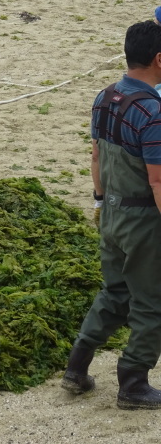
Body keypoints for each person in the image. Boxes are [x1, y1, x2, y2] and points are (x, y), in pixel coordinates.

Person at [61, 20, 161, 410]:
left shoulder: (105, 97)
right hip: (142, 222)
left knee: (114, 292)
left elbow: (97, 155)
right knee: (151, 302)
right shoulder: (153, 112)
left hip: (112, 213)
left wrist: (101, 204)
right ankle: (133, 383)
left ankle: (77, 367)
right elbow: (157, 182)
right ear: (158, 59)